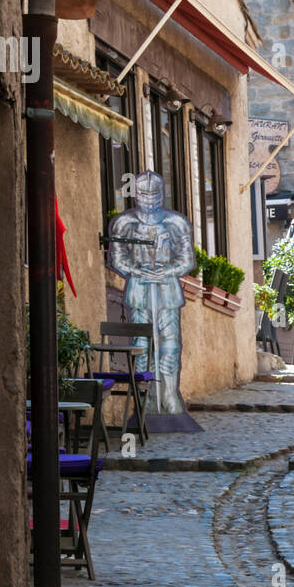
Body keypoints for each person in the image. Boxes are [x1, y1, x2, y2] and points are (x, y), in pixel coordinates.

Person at [108, 170, 196, 416]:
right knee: (141, 344)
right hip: (139, 288)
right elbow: (117, 257)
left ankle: (169, 394)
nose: (149, 198)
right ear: (136, 194)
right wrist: (137, 271)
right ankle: (145, 396)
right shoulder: (125, 223)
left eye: (153, 193)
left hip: (167, 289)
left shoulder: (175, 222)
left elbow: (187, 258)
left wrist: (168, 271)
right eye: (144, 193)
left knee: (171, 343)